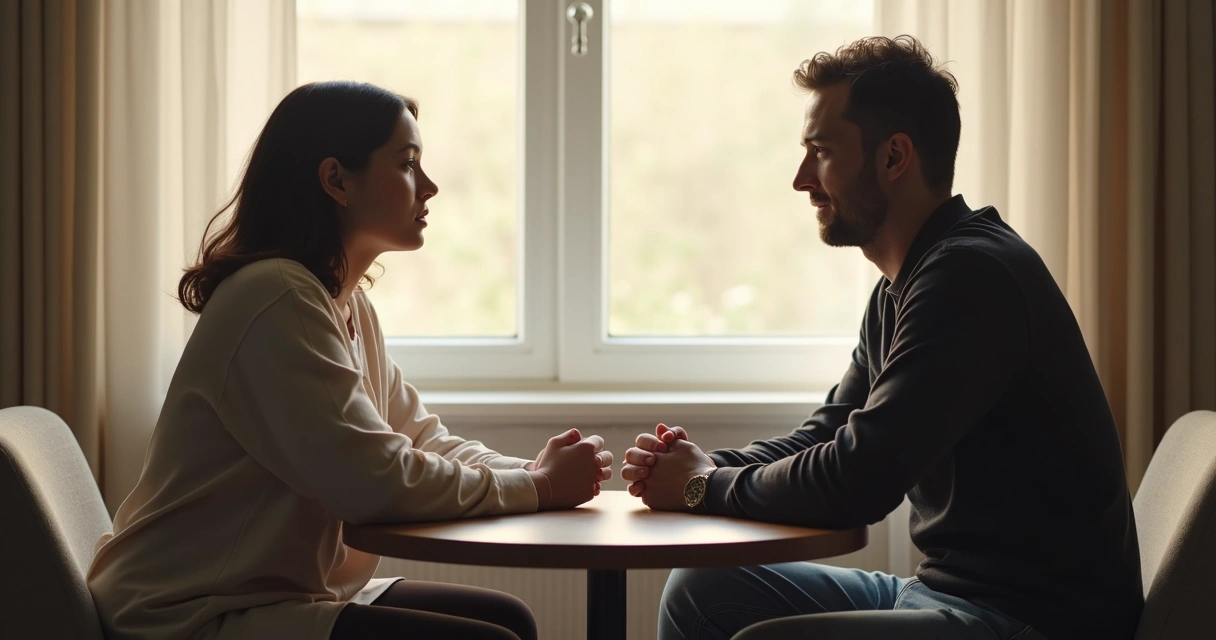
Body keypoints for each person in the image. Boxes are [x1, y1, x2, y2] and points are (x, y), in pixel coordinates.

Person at [621, 35, 1143, 640]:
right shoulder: (906, 283)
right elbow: (831, 431)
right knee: (703, 589)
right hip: (942, 596)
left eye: (820, 152)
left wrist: (699, 485)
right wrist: (703, 466)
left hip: (1030, 621)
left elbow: (856, 480)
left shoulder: (970, 278)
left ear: (894, 156)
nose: (799, 179)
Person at [86, 81, 613, 640]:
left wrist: (529, 472)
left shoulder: (342, 300)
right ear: (336, 180)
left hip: (281, 590)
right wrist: (540, 490)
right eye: (408, 164)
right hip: (192, 611)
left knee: (509, 619)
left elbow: (415, 438)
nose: (429, 187)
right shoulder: (275, 297)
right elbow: (375, 483)